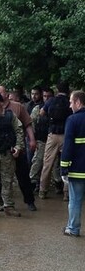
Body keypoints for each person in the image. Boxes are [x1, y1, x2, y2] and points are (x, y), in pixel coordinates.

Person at [0, 85, 37, 211]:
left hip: (17, 147)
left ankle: (29, 201)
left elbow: (27, 124)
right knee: (0, 179)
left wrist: (32, 139)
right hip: (0, 150)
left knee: (23, 175)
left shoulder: (17, 107)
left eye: (0, 94)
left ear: (6, 94)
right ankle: (4, 203)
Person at [38, 80, 72, 200]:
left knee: (47, 164)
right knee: (67, 164)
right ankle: (66, 193)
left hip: (52, 135)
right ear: (68, 90)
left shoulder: (51, 101)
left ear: (57, 90)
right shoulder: (69, 102)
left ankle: (43, 190)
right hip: (66, 136)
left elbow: (41, 113)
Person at [60, 90, 85, 236]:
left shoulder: (72, 120)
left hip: (78, 169)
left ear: (77, 102)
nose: (70, 106)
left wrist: (64, 167)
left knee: (75, 200)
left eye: (71, 102)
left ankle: (73, 228)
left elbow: (68, 146)